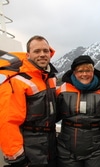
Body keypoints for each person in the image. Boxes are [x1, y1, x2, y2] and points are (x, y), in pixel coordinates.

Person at [0, 35, 58, 166]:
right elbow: (8, 121)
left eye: (45, 51)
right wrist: (17, 157)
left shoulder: (49, 78)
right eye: (37, 51)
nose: (42, 54)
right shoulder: (17, 81)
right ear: (28, 55)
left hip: (50, 145)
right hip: (30, 150)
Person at [56, 55, 100, 167]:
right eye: (80, 71)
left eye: (88, 70)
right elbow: (52, 115)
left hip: (99, 148)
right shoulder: (63, 89)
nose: (84, 74)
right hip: (67, 148)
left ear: (93, 71)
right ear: (74, 73)